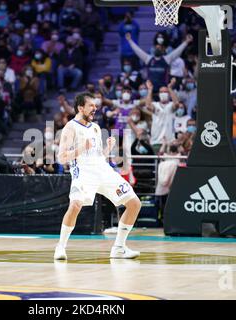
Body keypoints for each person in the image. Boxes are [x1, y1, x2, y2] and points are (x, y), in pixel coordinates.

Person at [54, 92, 141, 260]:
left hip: (102, 170)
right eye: (91, 106)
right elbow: (61, 157)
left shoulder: (95, 127)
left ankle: (119, 248)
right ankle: (61, 246)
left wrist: (108, 149)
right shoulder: (70, 127)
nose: (95, 108)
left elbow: (98, 156)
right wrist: (80, 148)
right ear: (81, 108)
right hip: (84, 173)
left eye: (95, 105)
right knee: (75, 206)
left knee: (134, 203)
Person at [125, 33, 193, 93]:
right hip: (150, 90)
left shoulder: (167, 59)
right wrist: (130, 40)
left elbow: (177, 51)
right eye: (156, 47)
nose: (157, 49)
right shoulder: (148, 59)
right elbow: (138, 51)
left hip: (163, 91)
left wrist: (186, 42)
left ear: (163, 49)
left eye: (159, 48)